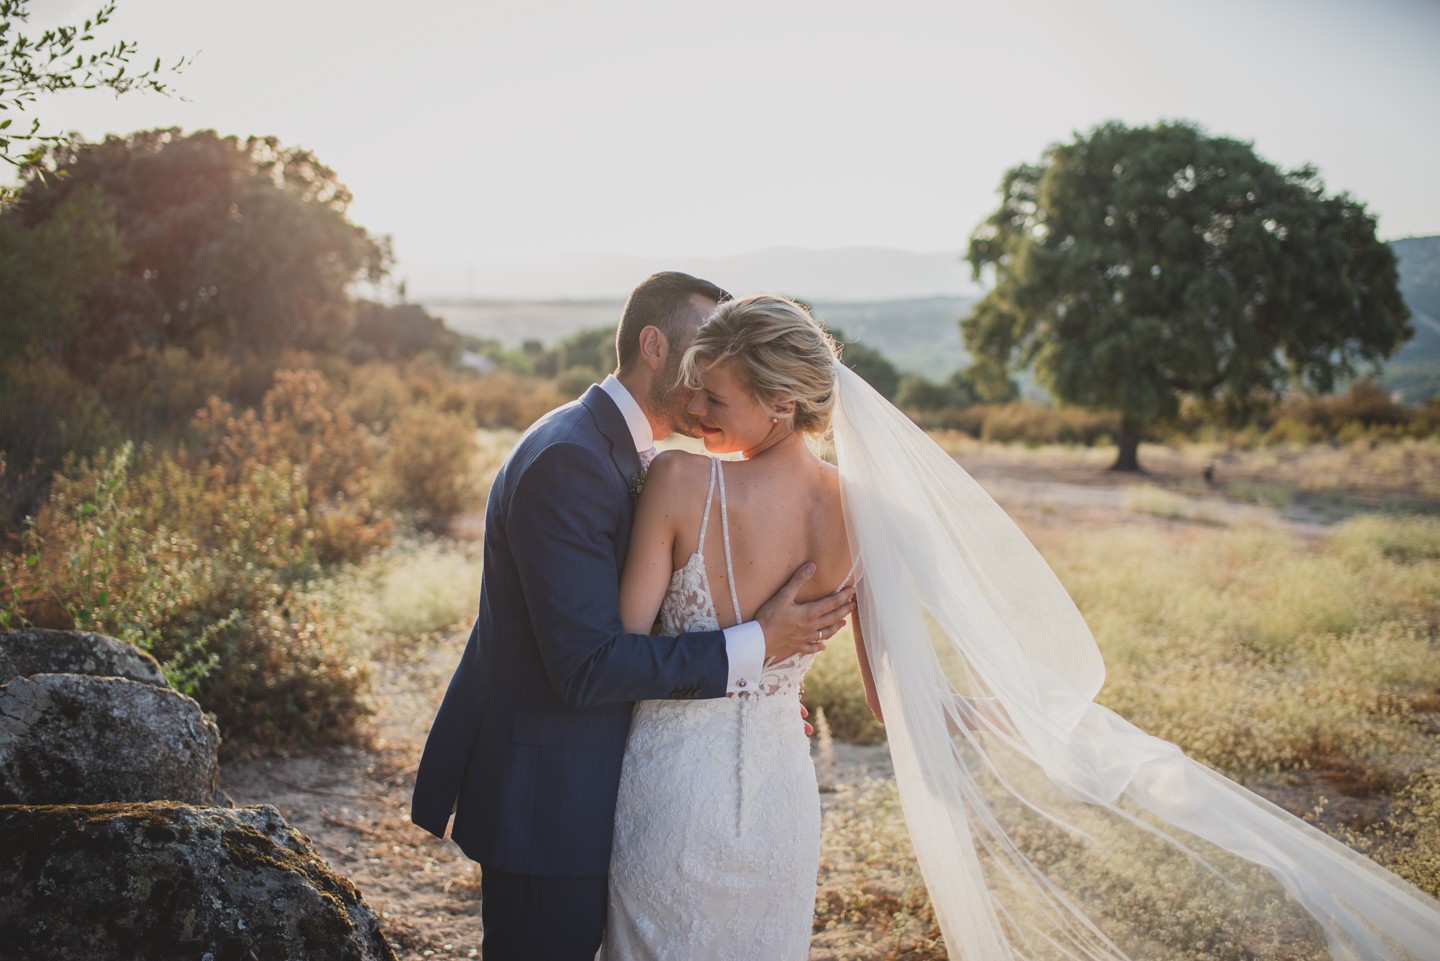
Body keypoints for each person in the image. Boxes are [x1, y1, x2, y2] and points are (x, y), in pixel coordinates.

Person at [600, 294, 1440, 961]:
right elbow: (899, 703)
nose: (693, 407)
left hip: (670, 786)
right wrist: (1017, 711)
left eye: (714, 395)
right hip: (780, 798)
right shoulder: (865, 516)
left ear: (782, 404)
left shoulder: (675, 481)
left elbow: (621, 656)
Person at [409, 273, 855, 961]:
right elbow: (586, 662)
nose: (707, 374)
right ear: (654, 345)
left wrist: (757, 701)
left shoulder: (624, 453)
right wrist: (756, 649)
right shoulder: (571, 457)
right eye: (699, 357)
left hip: (649, 785)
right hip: (550, 799)